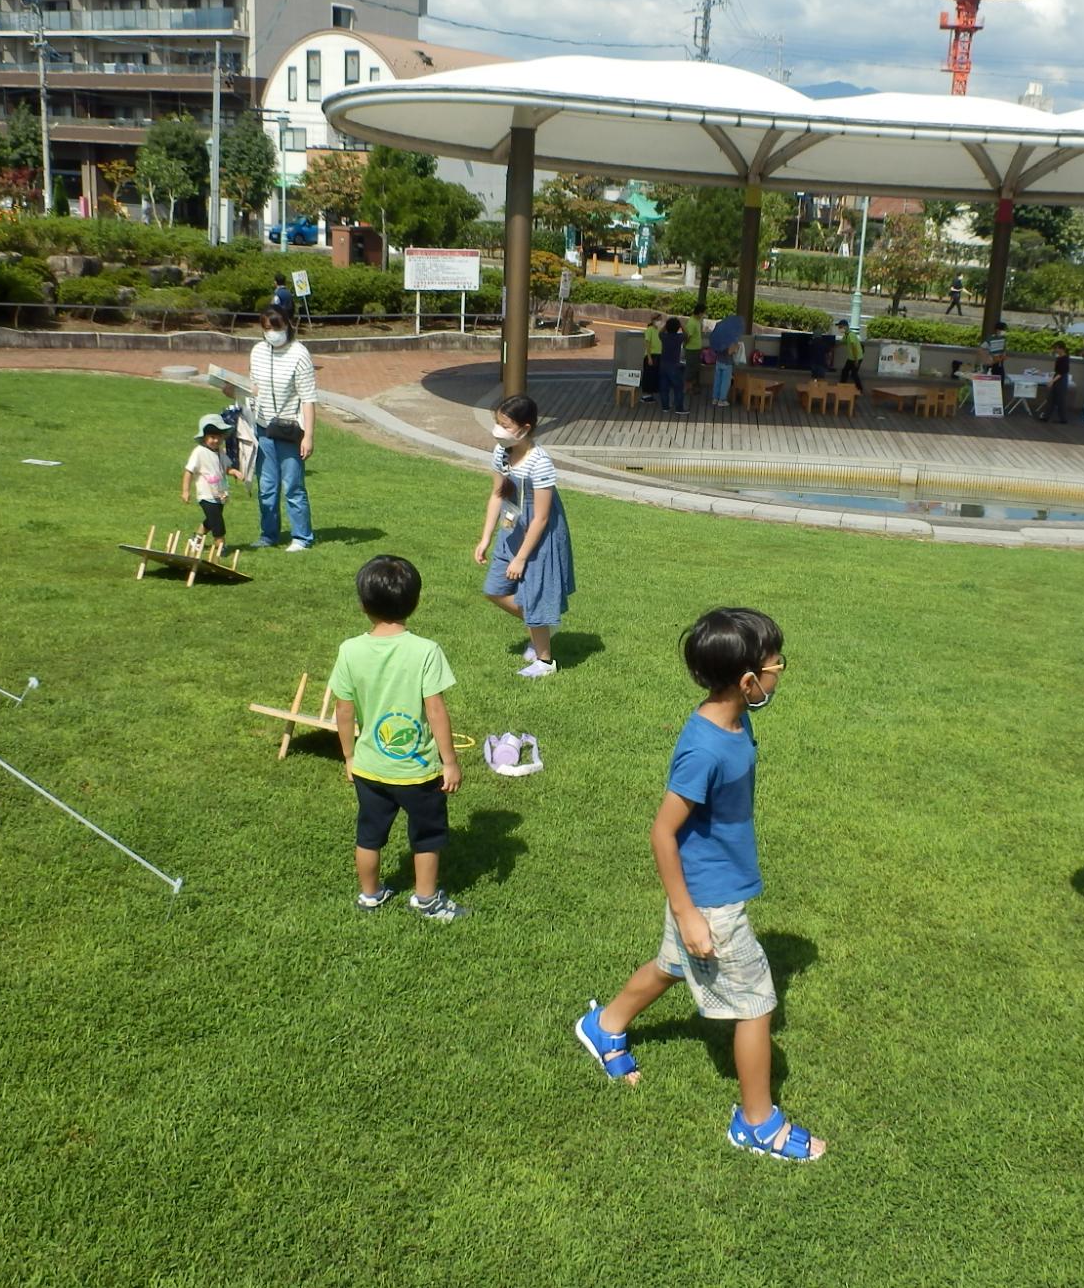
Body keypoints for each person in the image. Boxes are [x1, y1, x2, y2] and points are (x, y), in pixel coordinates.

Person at [573, 607, 826, 1161]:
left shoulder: (736, 719)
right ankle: (757, 1123)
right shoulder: (704, 747)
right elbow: (663, 833)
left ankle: (604, 1024)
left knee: (672, 965)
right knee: (757, 1005)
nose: (783, 669)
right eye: (777, 662)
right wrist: (688, 912)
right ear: (748, 681)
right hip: (710, 900)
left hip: (712, 886)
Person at [329, 555, 468, 923]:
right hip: (418, 772)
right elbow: (436, 710)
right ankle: (425, 900)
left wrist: (348, 756)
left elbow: (343, 711)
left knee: (369, 834)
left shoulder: (349, 650)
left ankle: (370, 895)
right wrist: (450, 761)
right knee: (427, 836)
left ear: (363, 604)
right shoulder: (425, 651)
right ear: (415, 602)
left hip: (369, 768)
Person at [475, 394, 576, 678]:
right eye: (498, 423)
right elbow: (498, 494)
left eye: (505, 425)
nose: (499, 430)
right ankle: (542, 625)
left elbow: (542, 517)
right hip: (512, 529)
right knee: (494, 590)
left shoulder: (540, 462)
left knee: (535, 595)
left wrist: (520, 558)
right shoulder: (501, 452)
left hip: (538, 536)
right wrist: (485, 538)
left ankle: (545, 662)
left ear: (525, 428)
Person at [247, 307, 318, 551]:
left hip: (289, 429)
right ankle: (268, 535)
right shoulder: (257, 352)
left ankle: (302, 537)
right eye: (267, 328)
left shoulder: (299, 354)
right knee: (267, 486)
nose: (272, 333)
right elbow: (255, 387)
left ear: (288, 325)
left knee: (293, 485)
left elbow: (308, 397)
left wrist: (308, 436)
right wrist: (233, 389)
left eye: (276, 327)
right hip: (263, 427)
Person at [180, 413, 242, 546]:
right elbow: (188, 471)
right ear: (205, 437)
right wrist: (185, 491)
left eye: (219, 437)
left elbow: (226, 468)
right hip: (206, 494)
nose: (216, 441)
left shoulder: (220, 452)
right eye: (212, 437)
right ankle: (220, 546)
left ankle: (196, 539)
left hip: (220, 494)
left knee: (211, 519)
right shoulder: (199, 452)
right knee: (218, 523)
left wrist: (234, 472)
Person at [1037, 340, 1073, 424]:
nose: (1055, 350)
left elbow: (1061, 372)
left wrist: (1052, 381)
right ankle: (1046, 416)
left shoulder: (1064, 359)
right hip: (1058, 377)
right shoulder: (1060, 358)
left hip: (1061, 379)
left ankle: (1063, 419)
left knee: (1060, 400)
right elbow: (1058, 371)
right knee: (1051, 398)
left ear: (1061, 349)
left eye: (1056, 348)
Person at [658, 316, 688, 415]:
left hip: (663, 364)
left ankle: (665, 407)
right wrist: (681, 325)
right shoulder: (678, 338)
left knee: (664, 386)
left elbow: (660, 332)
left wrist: (666, 325)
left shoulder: (664, 337)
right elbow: (687, 334)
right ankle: (679, 408)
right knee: (678, 387)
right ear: (677, 327)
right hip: (674, 365)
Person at [712, 333, 742, 408]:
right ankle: (722, 400)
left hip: (718, 361)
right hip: (727, 363)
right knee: (725, 382)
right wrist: (737, 346)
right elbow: (730, 352)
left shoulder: (719, 337)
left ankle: (715, 398)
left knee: (717, 381)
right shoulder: (732, 338)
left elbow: (715, 350)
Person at [836, 319, 865, 393]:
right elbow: (841, 342)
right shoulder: (846, 335)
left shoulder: (851, 335)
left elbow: (854, 348)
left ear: (845, 327)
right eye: (839, 327)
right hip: (851, 358)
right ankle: (841, 386)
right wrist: (833, 347)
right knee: (845, 371)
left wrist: (856, 361)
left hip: (856, 358)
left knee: (854, 374)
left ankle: (860, 389)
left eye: (840, 327)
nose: (839, 328)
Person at [640, 313, 662, 402]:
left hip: (658, 355)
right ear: (653, 320)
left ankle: (650, 395)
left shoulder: (659, 330)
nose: (660, 322)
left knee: (654, 376)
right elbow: (647, 344)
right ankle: (646, 395)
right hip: (651, 356)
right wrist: (649, 357)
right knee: (649, 375)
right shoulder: (649, 330)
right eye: (658, 320)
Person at [685, 314, 705, 394]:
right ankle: (687, 388)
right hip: (691, 349)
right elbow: (688, 336)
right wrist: (685, 344)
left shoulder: (697, 321)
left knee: (696, 369)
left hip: (696, 349)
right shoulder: (692, 322)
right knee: (690, 369)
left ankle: (693, 387)